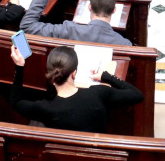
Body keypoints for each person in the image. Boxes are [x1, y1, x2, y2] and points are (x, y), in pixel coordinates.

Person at [9, 44, 143, 133]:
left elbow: (15, 101)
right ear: (74, 73)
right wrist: (106, 76)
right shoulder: (98, 93)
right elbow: (137, 94)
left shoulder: (44, 108)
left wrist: (19, 67)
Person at [20, 0, 131, 46]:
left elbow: (27, 26)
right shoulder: (124, 44)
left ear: (89, 7)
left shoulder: (69, 29)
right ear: (114, 10)